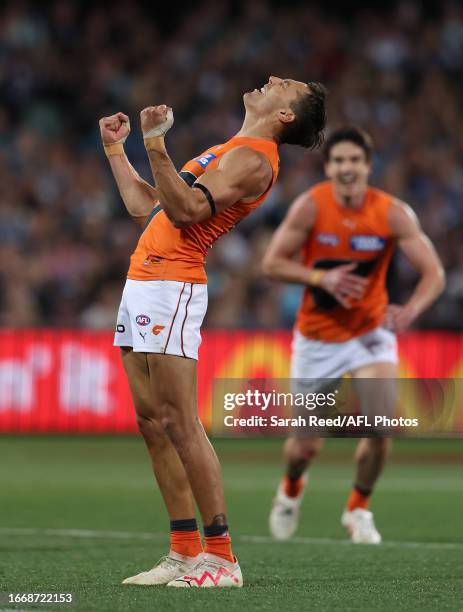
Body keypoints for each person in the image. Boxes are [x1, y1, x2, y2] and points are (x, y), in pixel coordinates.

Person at [99, 76, 326, 587]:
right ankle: (182, 550)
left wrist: (155, 141)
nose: (271, 80)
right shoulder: (230, 148)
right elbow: (148, 207)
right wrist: (118, 149)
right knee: (152, 423)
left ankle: (221, 557)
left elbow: (186, 212)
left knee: (181, 422)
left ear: (286, 114)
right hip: (144, 280)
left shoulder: (254, 158)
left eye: (283, 84)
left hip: (173, 284)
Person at [263, 126, 445, 544]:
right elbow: (271, 263)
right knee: (304, 448)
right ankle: (291, 490)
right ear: (328, 167)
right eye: (339, 161)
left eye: (354, 161)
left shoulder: (392, 212)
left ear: (367, 166)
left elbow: (434, 273)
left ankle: (358, 508)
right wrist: (319, 277)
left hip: (369, 333)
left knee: (381, 427)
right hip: (316, 338)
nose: (347, 168)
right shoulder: (310, 207)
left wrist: (412, 309)